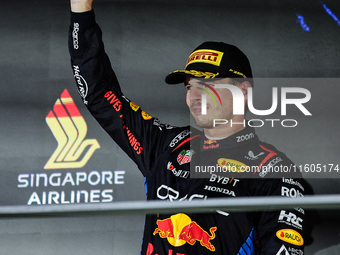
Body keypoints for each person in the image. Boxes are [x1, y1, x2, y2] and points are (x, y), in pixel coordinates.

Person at [68, 0, 310, 254]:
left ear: (243, 92)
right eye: (189, 86)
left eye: (207, 85)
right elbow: (100, 94)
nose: (194, 96)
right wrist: (80, 10)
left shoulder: (273, 169)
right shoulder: (166, 144)